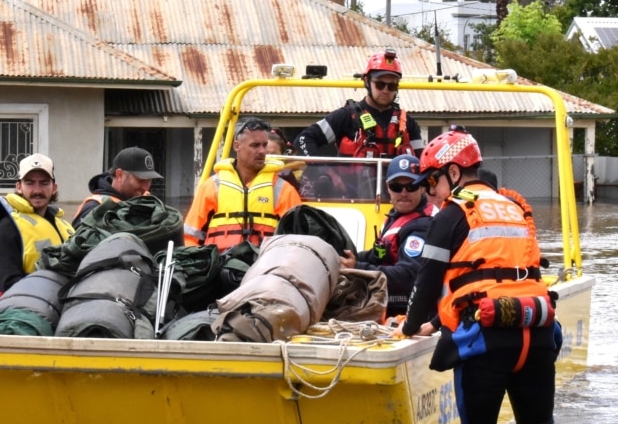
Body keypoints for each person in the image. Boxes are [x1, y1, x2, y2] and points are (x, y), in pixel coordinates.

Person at [401, 126, 565, 424]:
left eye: (432, 182)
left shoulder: (452, 213)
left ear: (454, 174)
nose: (429, 192)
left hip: (488, 338)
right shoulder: (515, 208)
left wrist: (410, 327)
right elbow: (501, 277)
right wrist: (438, 322)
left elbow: (427, 281)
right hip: (536, 328)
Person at [339, 154, 437, 316]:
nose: (404, 193)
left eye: (411, 186)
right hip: (389, 301)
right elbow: (379, 254)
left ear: (422, 187)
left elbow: (408, 276)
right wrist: (349, 257)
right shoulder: (395, 216)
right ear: (387, 187)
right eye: (396, 187)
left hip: (408, 310)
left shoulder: (423, 226)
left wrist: (357, 268)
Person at [184, 118, 302, 250]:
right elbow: (190, 237)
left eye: (264, 145)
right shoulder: (211, 187)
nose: (262, 151)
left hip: (264, 266)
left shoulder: (284, 190)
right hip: (219, 265)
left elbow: (298, 241)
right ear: (237, 146)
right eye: (255, 145)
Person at [294, 48, 424, 159]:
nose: (385, 90)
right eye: (380, 84)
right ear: (366, 81)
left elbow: (421, 161)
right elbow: (303, 140)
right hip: (352, 188)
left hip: (396, 188)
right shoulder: (346, 117)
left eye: (391, 86)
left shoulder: (408, 124)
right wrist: (321, 172)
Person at [0, 153, 75, 300]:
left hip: (62, 303)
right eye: (30, 183)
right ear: (19, 187)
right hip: (21, 309)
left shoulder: (63, 225)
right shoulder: (7, 228)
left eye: (44, 183)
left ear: (54, 187)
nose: (37, 190)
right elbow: (9, 283)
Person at [71, 146, 163, 227]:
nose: (145, 187)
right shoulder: (94, 207)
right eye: (140, 180)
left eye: (149, 180)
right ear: (120, 175)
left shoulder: (148, 201)